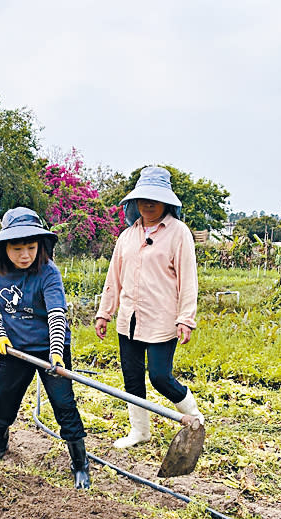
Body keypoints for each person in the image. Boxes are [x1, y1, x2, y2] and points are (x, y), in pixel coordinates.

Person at [0, 207, 90, 489]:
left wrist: (56, 353)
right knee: (3, 400)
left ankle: (80, 465)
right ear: (4, 247)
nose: (25, 255)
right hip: (13, 349)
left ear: (40, 245)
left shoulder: (48, 272)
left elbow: (56, 314)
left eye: (31, 247)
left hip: (50, 348)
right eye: (17, 248)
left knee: (64, 405)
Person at [95, 166, 204, 448]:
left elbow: (188, 278)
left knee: (159, 377)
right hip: (128, 318)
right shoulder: (127, 237)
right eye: (144, 198)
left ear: (166, 202)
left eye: (155, 199)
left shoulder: (179, 233)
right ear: (135, 202)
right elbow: (113, 278)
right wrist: (104, 312)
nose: (149, 204)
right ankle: (140, 431)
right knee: (132, 378)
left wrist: (186, 318)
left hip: (162, 319)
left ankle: (195, 419)